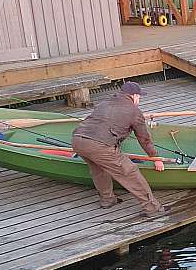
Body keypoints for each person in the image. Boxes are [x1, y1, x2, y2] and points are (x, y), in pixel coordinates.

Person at [71, 82, 167, 218]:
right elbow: (144, 139)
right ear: (134, 96)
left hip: (78, 140)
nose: (139, 100)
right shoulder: (134, 111)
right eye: (139, 97)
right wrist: (155, 158)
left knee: (98, 169)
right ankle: (153, 208)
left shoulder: (104, 103)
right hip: (99, 145)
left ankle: (107, 200)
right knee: (129, 172)